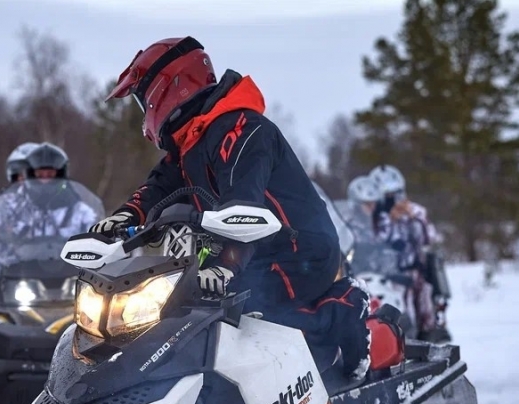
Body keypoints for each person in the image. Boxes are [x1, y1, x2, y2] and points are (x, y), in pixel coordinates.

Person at [90, 36, 382, 378]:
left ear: (170, 89)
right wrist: (126, 216)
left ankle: (344, 308)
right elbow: (158, 187)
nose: (146, 118)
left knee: (246, 317)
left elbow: (242, 203)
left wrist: (227, 265)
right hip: (253, 254)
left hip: (297, 251)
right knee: (180, 314)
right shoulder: (190, 144)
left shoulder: (242, 130)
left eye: (145, 104)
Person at [0, 142, 99, 292]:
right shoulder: (9, 206)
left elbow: (97, 237)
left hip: (69, 282)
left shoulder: (79, 210)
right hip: (17, 281)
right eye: (39, 175)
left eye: (50, 175)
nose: (45, 181)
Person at [368, 164, 445, 339]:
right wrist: (389, 220)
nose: (393, 199)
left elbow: (429, 238)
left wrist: (412, 219)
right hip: (386, 274)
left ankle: (427, 336)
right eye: (387, 196)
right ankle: (401, 339)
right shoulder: (377, 216)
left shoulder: (416, 211)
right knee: (398, 310)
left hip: (414, 269)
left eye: (395, 194)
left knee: (424, 305)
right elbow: (374, 242)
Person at [344, 174, 381, 245]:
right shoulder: (348, 222)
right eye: (367, 203)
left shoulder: (382, 220)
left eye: (374, 203)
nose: (372, 207)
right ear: (356, 204)